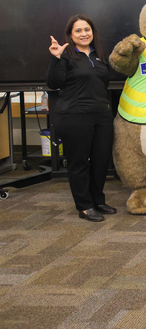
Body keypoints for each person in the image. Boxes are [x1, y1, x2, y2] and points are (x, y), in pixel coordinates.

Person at [46, 15, 115, 222]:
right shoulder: (65, 55)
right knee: (79, 162)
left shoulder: (99, 55)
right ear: (70, 34)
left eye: (87, 29)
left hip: (101, 115)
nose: (84, 34)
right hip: (74, 116)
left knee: (101, 161)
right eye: (78, 31)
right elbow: (53, 83)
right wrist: (55, 58)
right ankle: (84, 206)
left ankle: (98, 200)